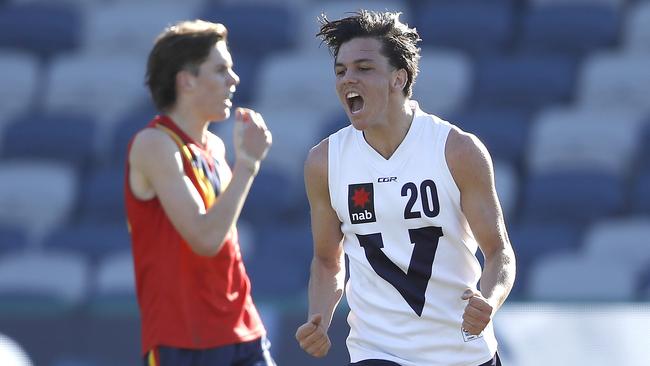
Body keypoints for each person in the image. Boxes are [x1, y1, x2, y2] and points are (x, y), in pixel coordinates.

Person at [295, 10, 516, 366]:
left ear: (399, 78)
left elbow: (499, 252)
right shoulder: (324, 162)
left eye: (364, 68)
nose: (348, 78)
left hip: (462, 352)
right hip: (377, 352)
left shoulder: (457, 150)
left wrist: (488, 300)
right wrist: (319, 314)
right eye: (341, 71)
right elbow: (326, 259)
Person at [124, 20, 275, 366]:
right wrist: (248, 165)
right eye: (221, 69)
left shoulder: (217, 148)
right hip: (184, 341)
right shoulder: (154, 143)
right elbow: (205, 238)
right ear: (186, 80)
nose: (233, 79)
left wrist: (243, 164)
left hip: (243, 330)